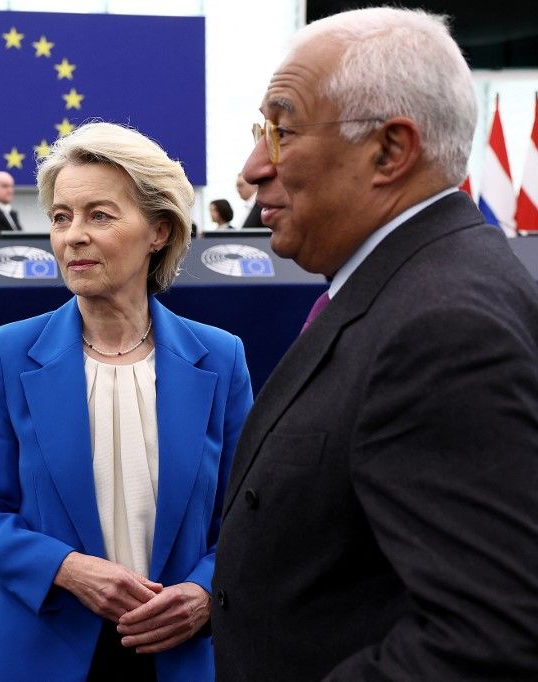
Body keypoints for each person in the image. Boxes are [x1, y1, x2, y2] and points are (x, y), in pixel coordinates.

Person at [211, 7, 538, 680]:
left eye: (282, 131)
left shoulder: (442, 329)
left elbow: (487, 639)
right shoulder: (417, 284)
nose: (252, 167)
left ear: (389, 150)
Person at [0, 122, 252, 681]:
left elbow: (245, 521)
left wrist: (206, 593)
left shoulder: (220, 358)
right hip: (37, 653)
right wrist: (65, 567)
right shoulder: (9, 353)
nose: (73, 236)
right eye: (61, 217)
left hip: (179, 656)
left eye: (99, 215)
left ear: (159, 230)